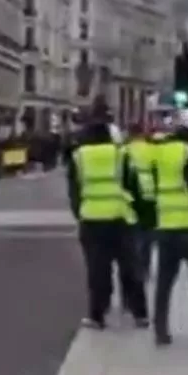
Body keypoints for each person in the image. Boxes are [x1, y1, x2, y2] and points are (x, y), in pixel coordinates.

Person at [66, 97, 149, 330]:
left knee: (97, 272)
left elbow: (74, 190)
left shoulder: (79, 156)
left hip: (92, 219)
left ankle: (97, 315)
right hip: (121, 217)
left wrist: (80, 211)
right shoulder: (120, 154)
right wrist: (139, 212)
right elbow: (133, 186)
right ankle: (140, 313)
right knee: (131, 268)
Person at [152, 108, 188, 346]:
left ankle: (161, 330)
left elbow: (155, 181)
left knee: (164, 282)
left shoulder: (161, 150)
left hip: (166, 223)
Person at [123, 123, 157, 278]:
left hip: (131, 197)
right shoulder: (153, 150)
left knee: (133, 235)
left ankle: (134, 267)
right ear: (143, 133)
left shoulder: (124, 151)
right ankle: (146, 268)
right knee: (148, 236)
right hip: (150, 197)